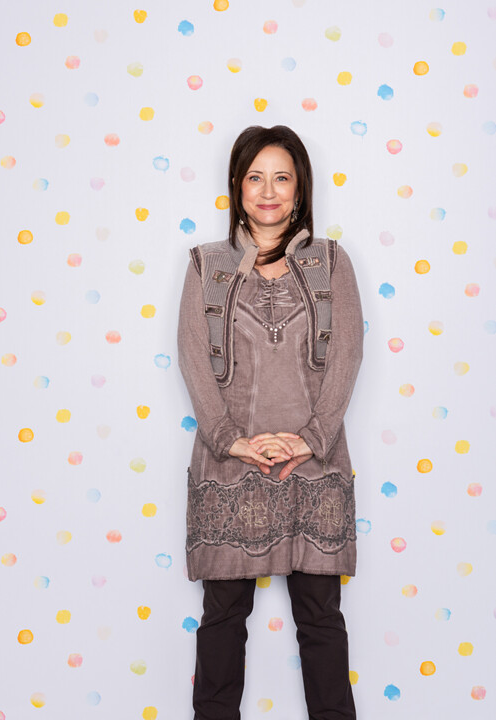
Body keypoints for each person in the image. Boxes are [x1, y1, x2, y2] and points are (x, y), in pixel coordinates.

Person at [178, 125, 363, 720]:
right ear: (236, 184)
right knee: (223, 618)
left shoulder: (332, 263)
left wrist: (310, 440)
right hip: (230, 468)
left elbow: (347, 356)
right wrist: (231, 441)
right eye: (255, 177)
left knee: (321, 619)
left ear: (299, 188)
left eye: (281, 178)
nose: (267, 191)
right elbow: (192, 359)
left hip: (315, 467)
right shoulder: (205, 266)